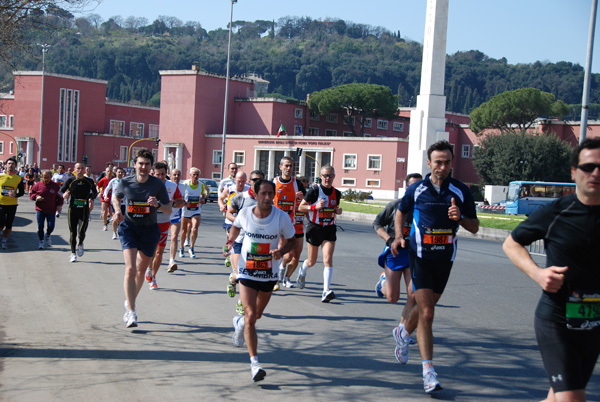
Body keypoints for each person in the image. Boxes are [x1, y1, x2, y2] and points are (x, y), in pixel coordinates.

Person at [503, 138, 600, 402]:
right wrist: (538, 274)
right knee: (572, 398)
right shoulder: (555, 213)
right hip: (556, 319)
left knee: (557, 397)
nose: (596, 173)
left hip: (593, 324)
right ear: (573, 172)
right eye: (588, 167)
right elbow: (511, 244)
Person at [390, 140, 479, 393]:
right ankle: (428, 372)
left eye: (447, 162)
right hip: (420, 257)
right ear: (429, 164)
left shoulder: (461, 191)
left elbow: (475, 226)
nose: (442, 166)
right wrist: (398, 236)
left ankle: (403, 334)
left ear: (452, 164)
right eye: (438, 162)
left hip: (445, 258)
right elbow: (400, 212)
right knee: (427, 312)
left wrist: (459, 218)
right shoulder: (417, 189)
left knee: (424, 307)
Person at [228, 179, 296, 382]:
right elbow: (235, 228)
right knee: (250, 315)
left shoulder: (281, 217)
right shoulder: (245, 213)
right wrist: (230, 244)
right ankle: (255, 364)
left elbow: (292, 239)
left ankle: (239, 323)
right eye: (263, 193)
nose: (267, 197)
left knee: (256, 315)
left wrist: (281, 251)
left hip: (268, 273)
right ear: (255, 195)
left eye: (270, 194)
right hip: (247, 271)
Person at [112, 148, 171, 328]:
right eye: (140, 163)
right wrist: (117, 210)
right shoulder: (125, 182)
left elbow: (169, 209)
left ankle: (130, 300)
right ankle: (132, 311)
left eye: (147, 164)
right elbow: (116, 197)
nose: (143, 167)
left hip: (149, 230)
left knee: (140, 270)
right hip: (129, 227)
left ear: (151, 166)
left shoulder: (157, 185)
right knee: (130, 269)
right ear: (134, 164)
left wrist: (158, 204)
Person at [373, 173, 422, 336]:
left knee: (413, 295)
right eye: (413, 186)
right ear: (407, 188)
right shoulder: (396, 206)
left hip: (414, 255)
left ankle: (402, 330)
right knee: (393, 298)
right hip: (395, 253)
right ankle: (383, 282)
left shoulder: (424, 208)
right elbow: (377, 223)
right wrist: (388, 239)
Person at [296, 164, 343, 302]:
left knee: (327, 259)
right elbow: (301, 207)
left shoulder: (337, 193)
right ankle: (302, 271)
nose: (327, 178)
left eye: (330, 175)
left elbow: (335, 207)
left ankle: (325, 291)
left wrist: (337, 211)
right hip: (315, 228)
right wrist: (314, 207)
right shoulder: (314, 190)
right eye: (325, 175)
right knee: (312, 261)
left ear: (334, 176)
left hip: (329, 228)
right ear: (320, 176)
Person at [225, 170, 265, 300]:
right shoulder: (240, 197)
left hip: (256, 243)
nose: (257, 183)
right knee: (241, 274)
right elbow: (228, 213)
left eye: (260, 180)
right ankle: (233, 280)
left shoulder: (266, 200)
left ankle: (242, 302)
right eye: (254, 180)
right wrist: (241, 222)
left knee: (251, 276)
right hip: (240, 241)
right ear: (250, 181)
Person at [145, 162, 184, 290]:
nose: (160, 177)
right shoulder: (148, 184)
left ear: (166, 173)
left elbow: (181, 202)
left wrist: (173, 204)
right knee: (151, 251)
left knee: (159, 251)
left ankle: (154, 277)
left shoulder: (172, 186)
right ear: (153, 174)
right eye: (158, 174)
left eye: (163, 174)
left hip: (164, 221)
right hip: (149, 221)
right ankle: (149, 268)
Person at [272, 157, 306, 290]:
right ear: (280, 167)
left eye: (290, 166)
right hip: (279, 223)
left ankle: (286, 278)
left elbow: (307, 201)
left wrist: (302, 198)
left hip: (295, 222)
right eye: (286, 166)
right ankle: (277, 276)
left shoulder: (297, 183)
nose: (288, 168)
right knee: (287, 253)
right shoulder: (274, 182)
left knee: (296, 256)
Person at [61, 163, 98, 263]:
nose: (80, 170)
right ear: (75, 169)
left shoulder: (89, 181)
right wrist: (65, 194)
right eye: (78, 168)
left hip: (84, 209)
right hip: (73, 209)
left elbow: (95, 192)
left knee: (81, 232)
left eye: (82, 168)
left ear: (85, 170)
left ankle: (80, 243)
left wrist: (91, 198)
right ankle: (73, 253)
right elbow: (61, 191)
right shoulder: (70, 180)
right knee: (73, 232)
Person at [218, 171, 250, 265]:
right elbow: (220, 198)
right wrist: (221, 206)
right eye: (239, 181)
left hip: (242, 221)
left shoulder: (248, 190)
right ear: (235, 180)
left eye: (243, 181)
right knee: (231, 239)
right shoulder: (229, 189)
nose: (240, 184)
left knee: (237, 242)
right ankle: (229, 255)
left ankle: (231, 255)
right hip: (230, 219)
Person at [30, 170, 64, 249]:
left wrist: (59, 205)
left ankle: (48, 235)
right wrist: (36, 197)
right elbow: (31, 194)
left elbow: (60, 197)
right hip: (40, 209)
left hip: (51, 210)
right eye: (44, 177)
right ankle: (41, 241)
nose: (46, 179)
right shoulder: (38, 185)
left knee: (51, 226)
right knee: (40, 226)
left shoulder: (55, 186)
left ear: (51, 177)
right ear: (42, 177)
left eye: (47, 177)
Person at [179, 167, 207, 259]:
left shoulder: (200, 184)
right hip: (186, 210)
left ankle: (191, 247)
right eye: (194, 174)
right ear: (190, 175)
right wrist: (183, 201)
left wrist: (203, 199)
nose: (195, 176)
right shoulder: (185, 184)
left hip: (196, 209)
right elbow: (180, 195)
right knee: (183, 230)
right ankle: (181, 248)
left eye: (197, 175)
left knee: (194, 228)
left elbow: (203, 193)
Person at [0, 157, 25, 250]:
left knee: (9, 225)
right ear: (6, 165)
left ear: (15, 165)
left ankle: (4, 241)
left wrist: (15, 195)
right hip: (1, 203)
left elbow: (22, 192)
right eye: (9, 163)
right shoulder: (0, 176)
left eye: (12, 164)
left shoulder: (18, 178)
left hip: (12, 204)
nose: (11, 165)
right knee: (1, 223)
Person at [167, 169, 185, 272]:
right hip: (163, 216)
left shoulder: (183, 187)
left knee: (174, 237)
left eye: (178, 174)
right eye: (174, 174)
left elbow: (183, 200)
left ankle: (171, 261)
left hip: (175, 215)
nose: (176, 176)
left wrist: (183, 203)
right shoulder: (165, 185)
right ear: (170, 175)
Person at [103, 167, 126, 239]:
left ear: (123, 174)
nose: (120, 173)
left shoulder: (125, 181)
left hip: (123, 203)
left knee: (122, 218)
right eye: (118, 172)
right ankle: (114, 232)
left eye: (121, 172)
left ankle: (121, 231)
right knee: (115, 218)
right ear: (116, 173)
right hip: (114, 203)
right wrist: (105, 196)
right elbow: (106, 189)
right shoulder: (113, 181)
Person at [96, 165, 115, 231]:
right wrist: (99, 192)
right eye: (108, 171)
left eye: (110, 171)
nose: (109, 173)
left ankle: (112, 223)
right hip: (105, 197)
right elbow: (97, 186)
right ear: (105, 172)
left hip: (112, 197)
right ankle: (105, 225)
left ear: (112, 172)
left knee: (111, 212)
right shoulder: (103, 179)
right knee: (104, 211)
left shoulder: (114, 179)